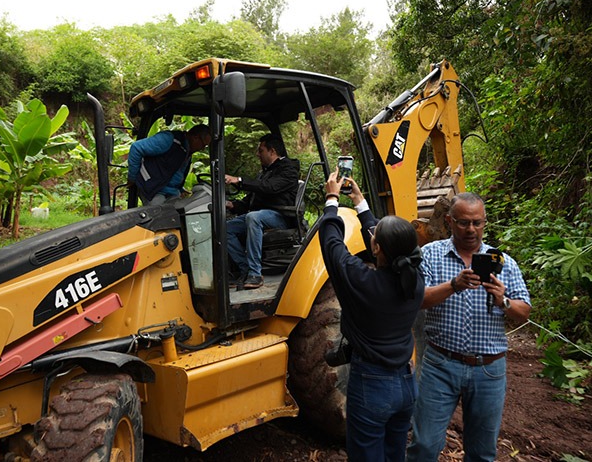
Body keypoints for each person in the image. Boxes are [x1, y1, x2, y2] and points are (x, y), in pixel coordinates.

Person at [407, 192, 532, 462]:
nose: (471, 229)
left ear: (485, 223)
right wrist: (454, 285)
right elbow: (418, 300)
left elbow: (524, 312)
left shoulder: (503, 262)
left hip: (488, 369)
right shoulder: (430, 254)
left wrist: (503, 300)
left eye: (477, 222)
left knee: (482, 453)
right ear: (449, 221)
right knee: (424, 446)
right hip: (440, 364)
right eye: (463, 222)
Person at [319, 169, 424, 462]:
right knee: (394, 455)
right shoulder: (415, 280)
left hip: (373, 386)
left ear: (376, 247)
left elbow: (331, 243)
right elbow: (385, 243)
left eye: (374, 237)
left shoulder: (363, 283)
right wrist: (360, 203)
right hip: (405, 386)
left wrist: (331, 198)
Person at [224, 133, 300, 289]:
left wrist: (239, 180)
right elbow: (251, 199)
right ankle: (245, 269)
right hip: (261, 215)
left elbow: (270, 188)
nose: (258, 154)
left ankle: (255, 274)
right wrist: (231, 205)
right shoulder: (265, 172)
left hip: (281, 216)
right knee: (225, 228)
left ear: (272, 151)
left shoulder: (288, 170)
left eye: (261, 150)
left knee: (254, 217)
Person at [127, 124, 211, 205]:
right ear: (195, 137)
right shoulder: (169, 140)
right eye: (203, 145)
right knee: (160, 213)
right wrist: (132, 177)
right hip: (154, 189)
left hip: (171, 192)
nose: (203, 149)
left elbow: (174, 172)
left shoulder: (187, 151)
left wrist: (180, 189)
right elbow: (136, 148)